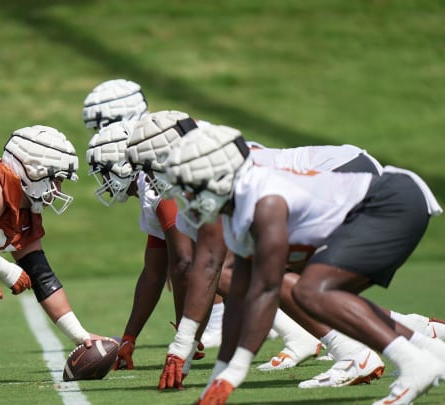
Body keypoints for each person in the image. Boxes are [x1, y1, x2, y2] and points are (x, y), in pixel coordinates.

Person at [161, 123, 445, 405]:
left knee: (310, 292)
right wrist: (220, 376)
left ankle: (416, 364)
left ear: (220, 177)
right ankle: (432, 352)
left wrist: (233, 374)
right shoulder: (237, 210)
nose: (186, 198)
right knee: (318, 294)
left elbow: (266, 293)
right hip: (381, 204)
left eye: (191, 188)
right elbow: (238, 299)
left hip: (391, 203)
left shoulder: (265, 201)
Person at [0, 124, 109, 350]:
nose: (59, 189)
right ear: (34, 170)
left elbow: (41, 276)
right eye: (57, 179)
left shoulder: (24, 207)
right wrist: (6, 270)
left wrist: (79, 335)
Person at [85, 120, 197, 370]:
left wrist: (185, 335)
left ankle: (295, 334)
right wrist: (129, 338)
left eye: (104, 171)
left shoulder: (155, 185)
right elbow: (154, 272)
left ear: (122, 165)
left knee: (218, 269)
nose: (103, 180)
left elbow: (183, 263)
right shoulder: (149, 190)